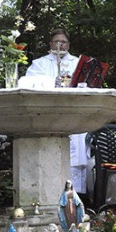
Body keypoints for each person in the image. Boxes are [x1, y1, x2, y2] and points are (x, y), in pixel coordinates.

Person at [24, 28, 89, 194]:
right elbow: (28, 83)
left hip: (73, 111)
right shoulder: (40, 63)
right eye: (56, 41)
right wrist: (52, 81)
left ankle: (76, 197)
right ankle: (49, 192)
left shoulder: (78, 63)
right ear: (50, 43)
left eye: (63, 42)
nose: (60, 45)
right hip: (48, 113)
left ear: (69, 44)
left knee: (75, 154)